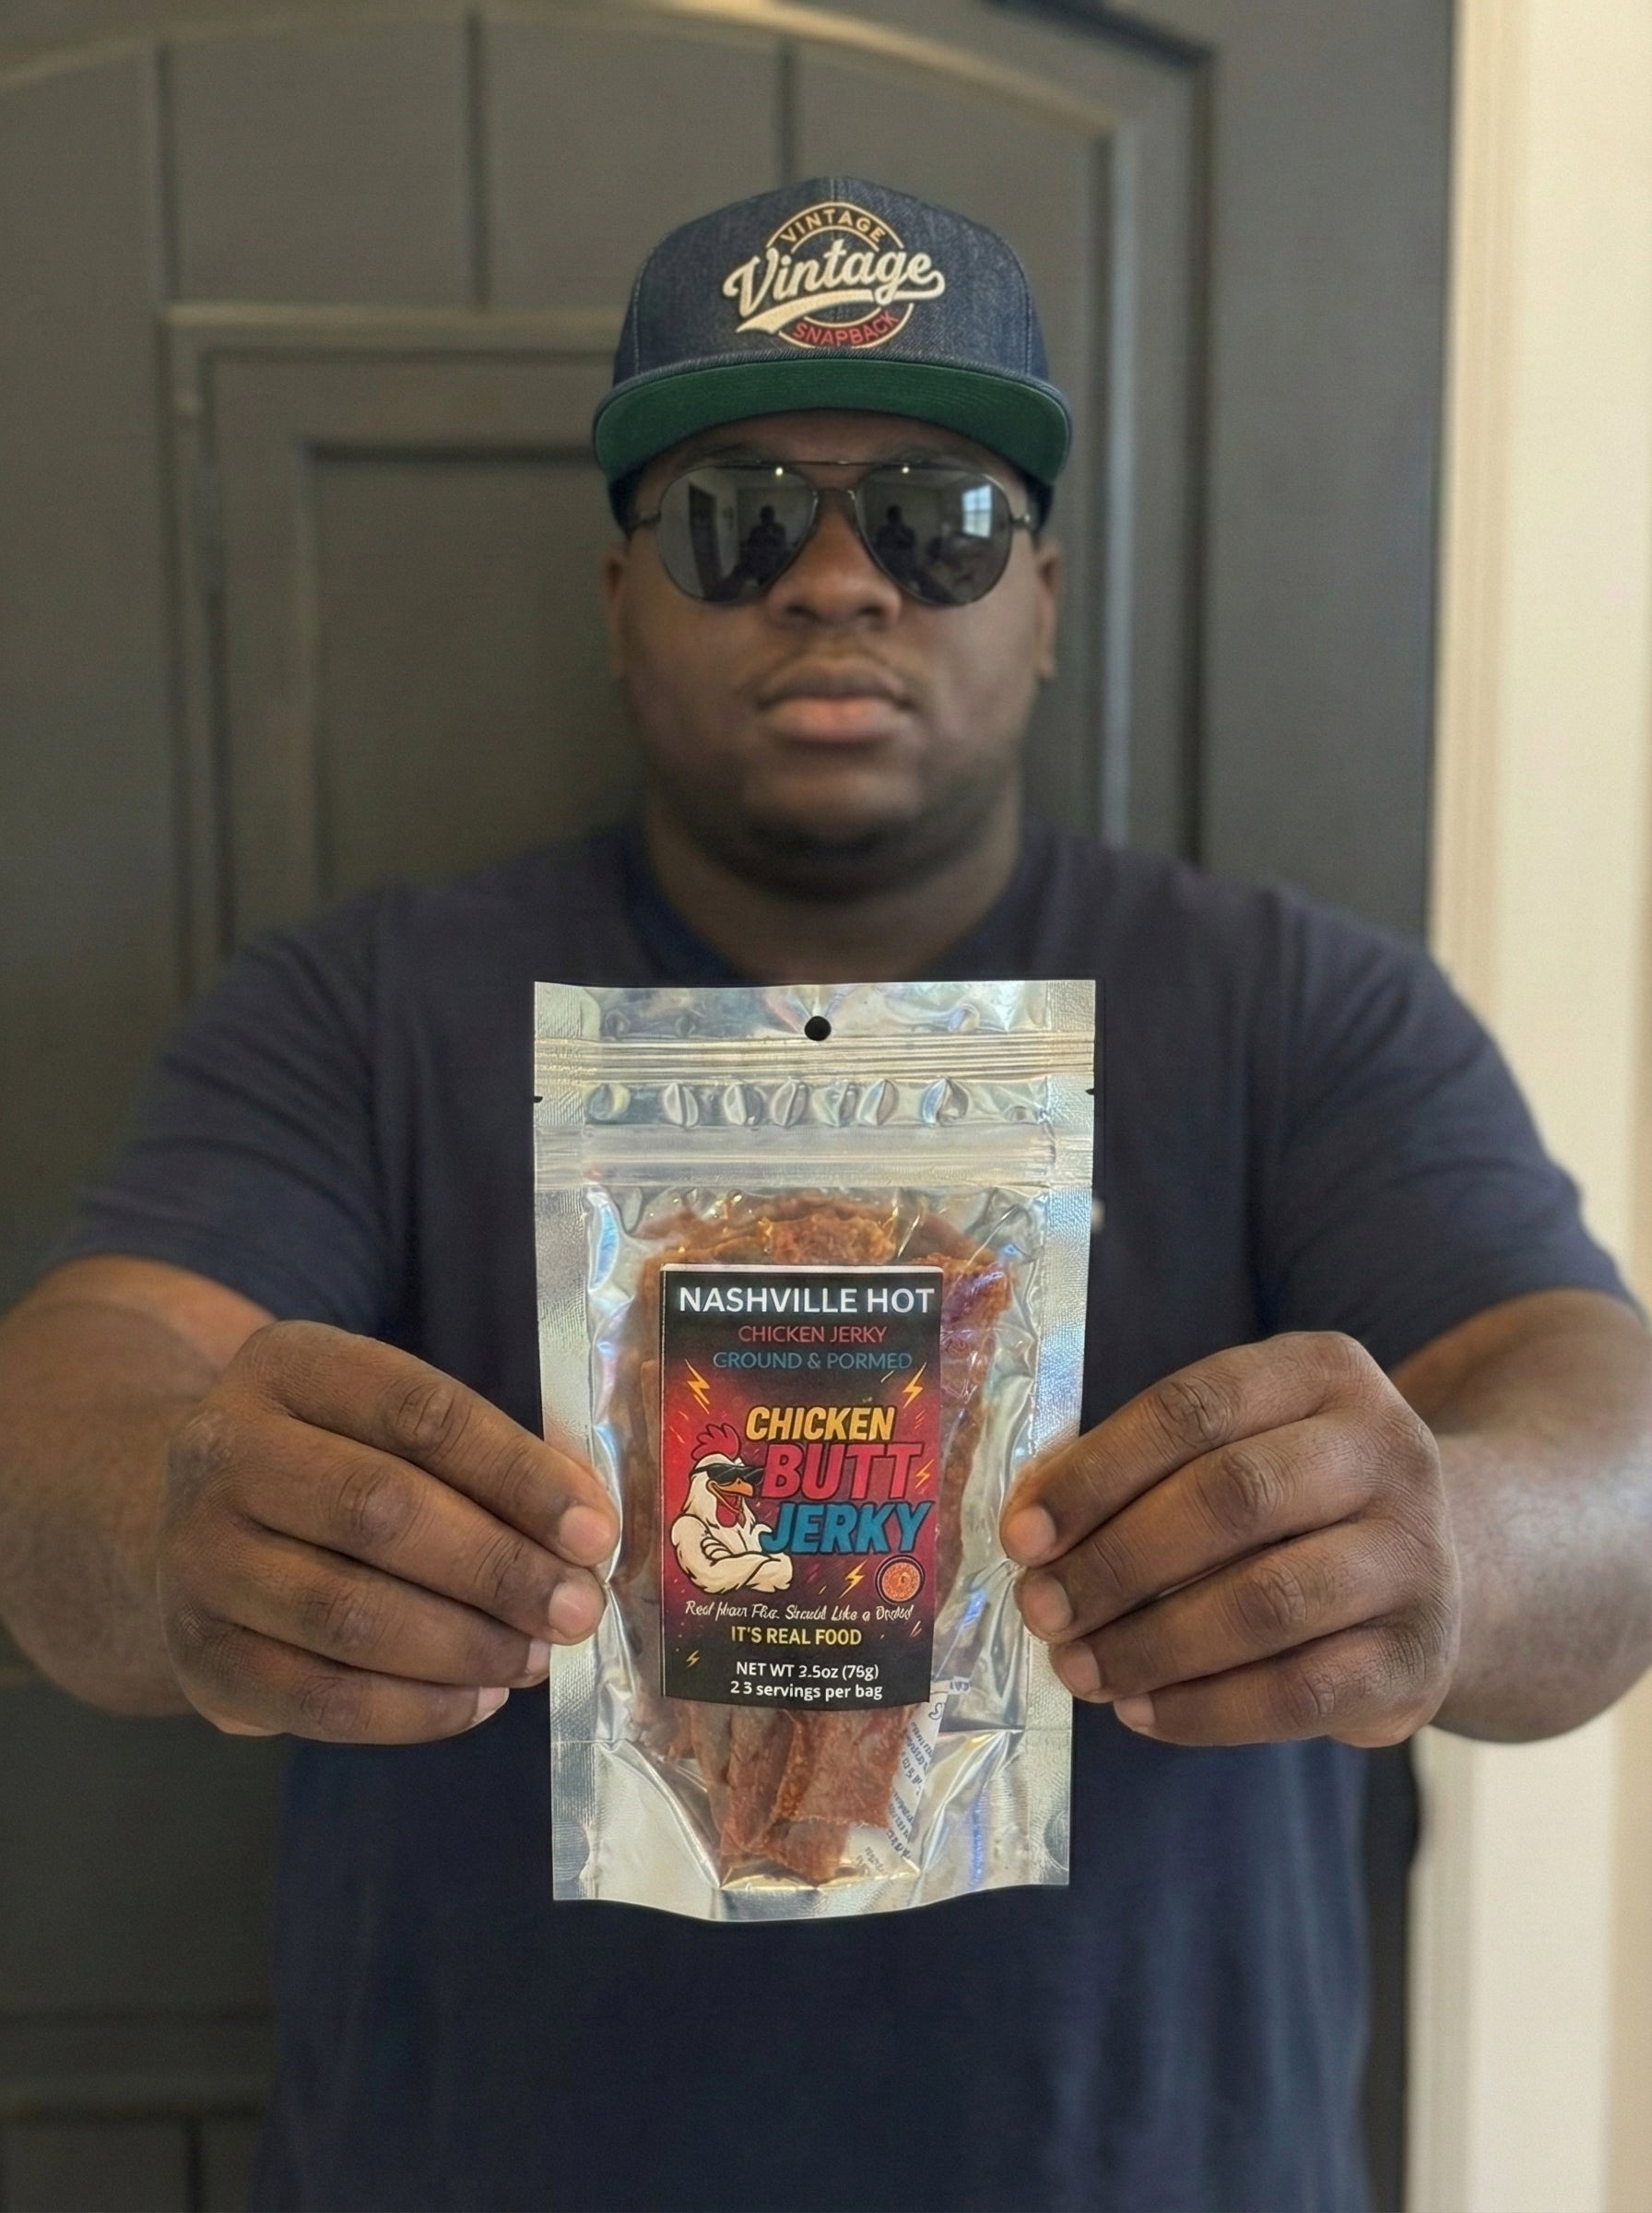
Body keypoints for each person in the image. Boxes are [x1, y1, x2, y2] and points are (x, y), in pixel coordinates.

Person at [0, 175, 1648, 2213]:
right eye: (740, 519)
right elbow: (78, 1397)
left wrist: (1457, 1545)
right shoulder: (358, 1011)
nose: (840, 583)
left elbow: (1604, 1450)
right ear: (623, 602)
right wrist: (168, 1515)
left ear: (1044, 600)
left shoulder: (1303, 1012)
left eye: (938, 520)